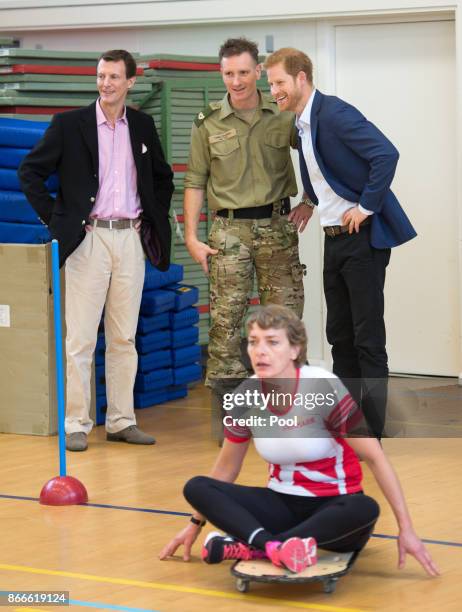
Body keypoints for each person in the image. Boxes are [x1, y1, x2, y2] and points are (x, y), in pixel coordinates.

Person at [159, 305, 438, 578]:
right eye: (254, 342)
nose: (261, 351)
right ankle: (271, 546)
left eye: (272, 342)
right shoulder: (245, 396)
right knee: (198, 486)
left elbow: (376, 459)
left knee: (365, 508)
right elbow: (225, 470)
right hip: (281, 505)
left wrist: (407, 529)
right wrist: (195, 524)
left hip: (334, 509)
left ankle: (255, 546)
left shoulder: (323, 389)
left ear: (295, 350)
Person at [18, 49, 174, 452]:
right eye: (101, 76)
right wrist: (58, 220)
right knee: (81, 339)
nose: (106, 83)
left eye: (114, 77)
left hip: (130, 238)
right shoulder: (69, 125)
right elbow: (30, 172)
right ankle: (77, 424)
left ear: (130, 82)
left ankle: (122, 421)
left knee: (123, 337)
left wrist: (151, 217)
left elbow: (162, 177)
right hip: (89, 239)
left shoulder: (141, 124)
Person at [264, 48, 417, 439]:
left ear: (301, 79)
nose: (274, 91)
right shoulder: (301, 123)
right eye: (271, 85)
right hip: (333, 238)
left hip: (361, 238)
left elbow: (386, 154)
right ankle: (350, 420)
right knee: (339, 335)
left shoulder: (333, 113)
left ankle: (374, 428)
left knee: (367, 337)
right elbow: (325, 169)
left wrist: (365, 207)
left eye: (280, 83)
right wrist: (310, 202)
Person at [183, 37, 305, 420]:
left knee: (284, 320)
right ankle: (232, 416)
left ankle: (286, 411)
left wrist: (312, 200)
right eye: (227, 73)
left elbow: (318, 156)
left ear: (258, 72)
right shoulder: (207, 123)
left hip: (277, 229)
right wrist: (191, 238)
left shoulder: (284, 115)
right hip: (228, 234)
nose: (235, 81)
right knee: (225, 322)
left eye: (242, 72)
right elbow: (194, 182)